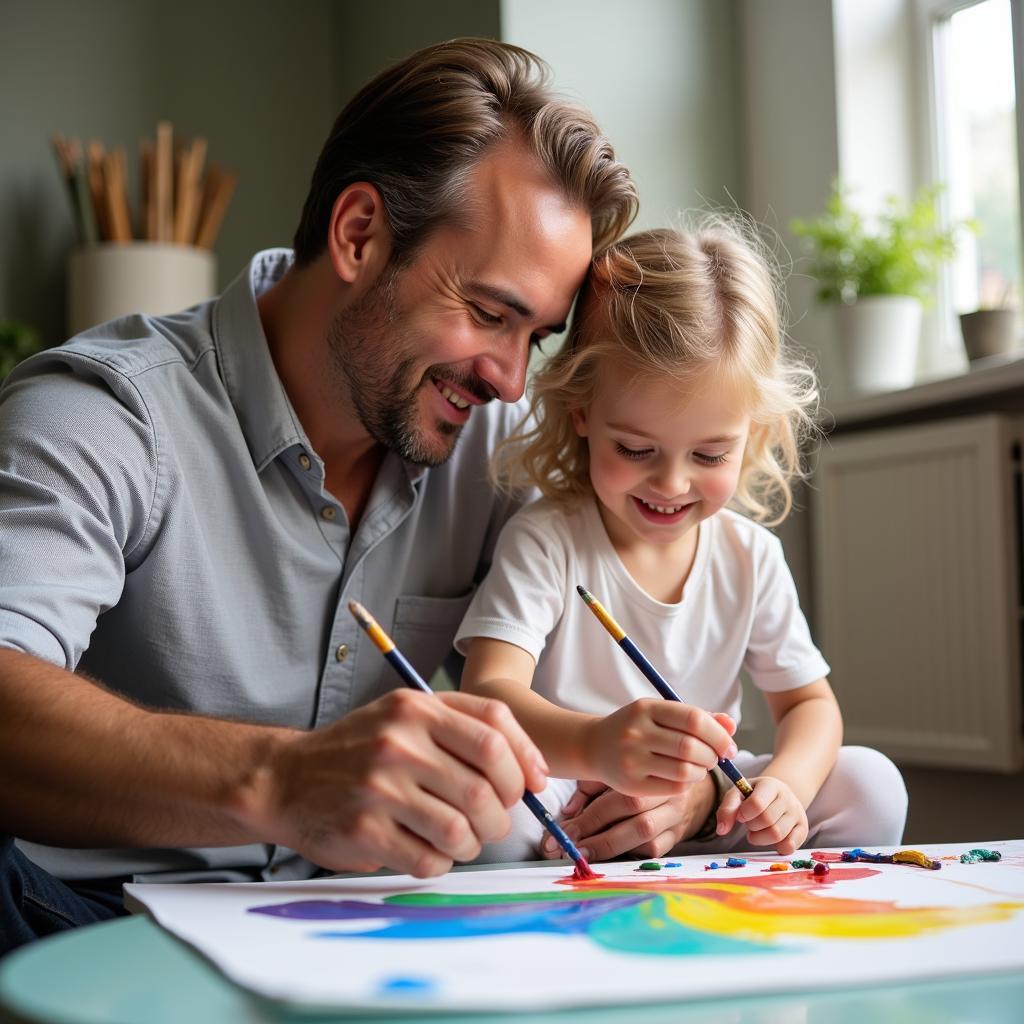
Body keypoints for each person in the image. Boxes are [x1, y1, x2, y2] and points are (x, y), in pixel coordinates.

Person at [0, 38, 638, 953]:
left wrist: (683, 785)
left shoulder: (493, 447)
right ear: (359, 234)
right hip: (82, 917)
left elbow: (623, 662)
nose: (509, 379)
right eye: (491, 314)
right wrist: (282, 782)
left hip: (366, 925)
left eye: (533, 337)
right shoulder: (104, 413)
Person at [456, 223, 908, 864]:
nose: (671, 482)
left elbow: (810, 704)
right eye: (636, 449)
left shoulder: (751, 557)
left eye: (709, 453)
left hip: (713, 804)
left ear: (750, 435)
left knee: (872, 785)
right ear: (582, 411)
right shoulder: (547, 539)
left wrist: (783, 787)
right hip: (575, 808)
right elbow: (488, 693)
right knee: (488, 809)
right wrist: (598, 746)